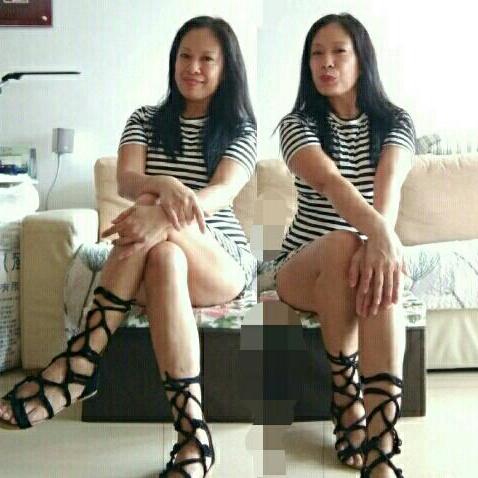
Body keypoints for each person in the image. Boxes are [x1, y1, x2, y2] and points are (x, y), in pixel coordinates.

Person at [0, 15, 257, 478]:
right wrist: (164, 185)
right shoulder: (144, 120)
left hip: (219, 258)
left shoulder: (239, 128)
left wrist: (162, 212)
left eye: (206, 59)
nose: (193, 67)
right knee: (163, 255)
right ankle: (193, 435)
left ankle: (81, 362)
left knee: (154, 224)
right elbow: (127, 179)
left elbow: (220, 193)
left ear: (226, 69)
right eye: (185, 56)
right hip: (153, 259)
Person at [272, 13, 415, 478]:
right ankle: (346, 395)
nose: (326, 62)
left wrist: (379, 242)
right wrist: (380, 236)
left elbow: (388, 183)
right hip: (301, 267)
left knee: (376, 266)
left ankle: (382, 445)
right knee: (342, 242)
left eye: (338, 52)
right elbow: (331, 183)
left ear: (362, 59)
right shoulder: (297, 125)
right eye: (317, 54)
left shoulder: (395, 121)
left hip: (365, 257)